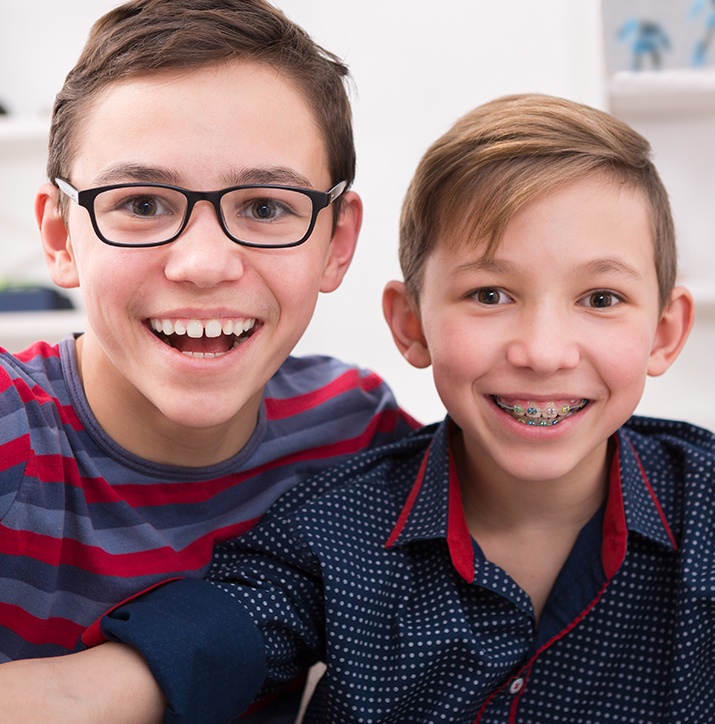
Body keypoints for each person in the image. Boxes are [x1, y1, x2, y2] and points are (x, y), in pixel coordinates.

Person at [90, 93, 715, 722]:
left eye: (602, 298)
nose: (544, 352)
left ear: (665, 332)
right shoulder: (333, 528)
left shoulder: (711, 512)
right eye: (491, 293)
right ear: (411, 324)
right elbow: (171, 661)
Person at [0, 0, 416, 719]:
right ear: (63, 237)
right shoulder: (12, 430)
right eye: (142, 203)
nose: (203, 263)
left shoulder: (355, 432)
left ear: (337, 242)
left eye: (264, 207)